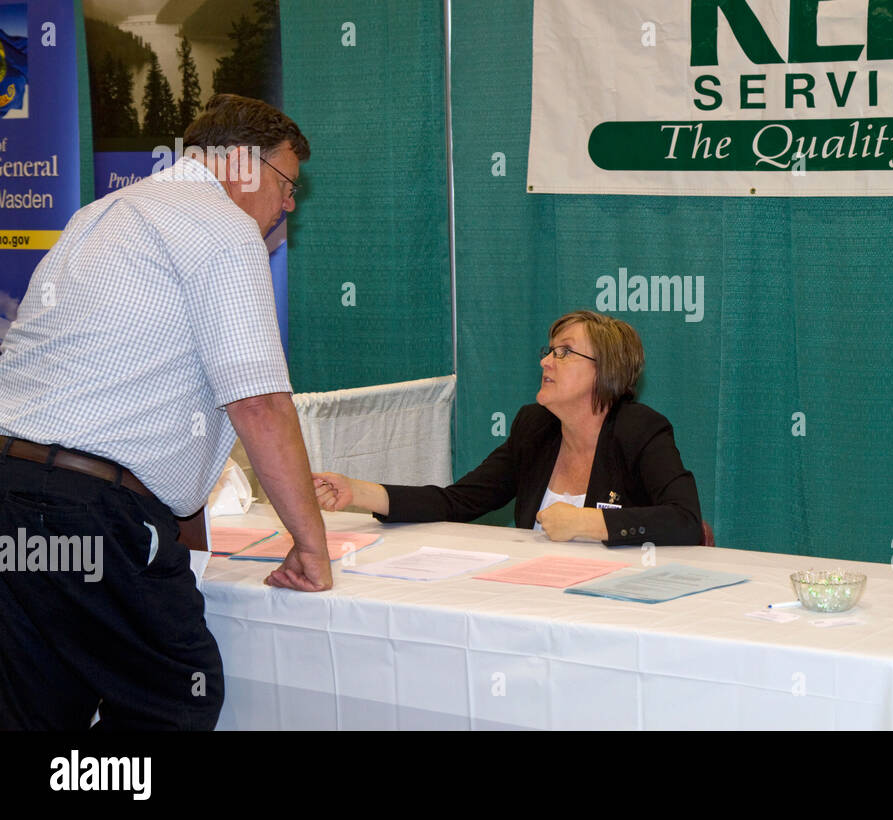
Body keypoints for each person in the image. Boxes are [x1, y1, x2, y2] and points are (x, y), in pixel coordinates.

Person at [0, 94, 332, 731]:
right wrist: (311, 546)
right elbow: (257, 402)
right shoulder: (221, 226)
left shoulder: (100, 215)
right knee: (177, 698)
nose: (288, 205)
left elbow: (150, 409)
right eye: (287, 184)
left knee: (41, 708)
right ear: (241, 165)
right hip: (92, 512)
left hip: (16, 494)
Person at [315, 311, 703, 546]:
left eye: (564, 352)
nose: (546, 362)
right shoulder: (535, 428)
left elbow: (686, 523)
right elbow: (457, 503)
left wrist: (586, 522)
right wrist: (358, 491)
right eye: (549, 351)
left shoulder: (640, 430)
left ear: (606, 370)